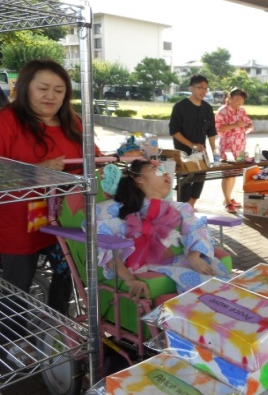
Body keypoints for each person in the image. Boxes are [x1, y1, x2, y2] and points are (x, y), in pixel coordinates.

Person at [0, 59, 95, 320]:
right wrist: (36, 171)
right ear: (26, 88)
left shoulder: (73, 122)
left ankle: (59, 332)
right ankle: (11, 347)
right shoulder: (5, 120)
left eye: (59, 90)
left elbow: (94, 160)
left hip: (67, 221)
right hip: (18, 225)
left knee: (69, 280)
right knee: (16, 292)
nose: (51, 96)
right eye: (43, 88)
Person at [95, 160, 230, 298]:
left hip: (185, 259)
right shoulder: (114, 209)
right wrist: (129, 279)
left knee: (222, 283)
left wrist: (194, 256)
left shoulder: (180, 208)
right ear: (139, 179)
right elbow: (105, 246)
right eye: (155, 168)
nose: (165, 173)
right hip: (148, 266)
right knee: (215, 292)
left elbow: (196, 228)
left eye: (165, 170)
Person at [169, 75, 218, 208]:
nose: (203, 91)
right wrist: (191, 145)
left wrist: (214, 150)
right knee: (185, 180)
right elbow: (174, 131)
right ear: (191, 88)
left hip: (201, 153)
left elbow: (211, 131)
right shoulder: (180, 107)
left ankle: (190, 207)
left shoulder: (207, 108)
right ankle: (185, 208)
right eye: (200, 88)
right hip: (183, 153)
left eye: (206, 88)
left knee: (200, 178)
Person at [215, 87, 253, 213]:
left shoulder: (242, 111)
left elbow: (249, 124)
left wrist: (248, 125)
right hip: (228, 147)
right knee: (228, 173)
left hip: (240, 146)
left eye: (241, 100)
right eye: (237, 100)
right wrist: (235, 125)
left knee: (235, 173)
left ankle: (229, 198)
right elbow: (218, 129)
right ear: (229, 97)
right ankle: (227, 201)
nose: (239, 103)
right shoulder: (222, 111)